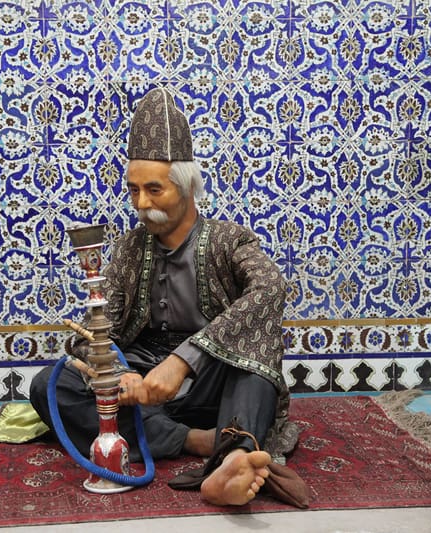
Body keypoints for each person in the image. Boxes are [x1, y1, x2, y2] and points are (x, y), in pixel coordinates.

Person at [29, 86, 298, 506]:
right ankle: (199, 443)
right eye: (134, 190)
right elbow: (100, 333)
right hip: (142, 383)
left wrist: (183, 362)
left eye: (154, 190)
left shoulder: (230, 240)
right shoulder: (132, 248)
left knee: (255, 361)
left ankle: (233, 459)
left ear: (187, 187)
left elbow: (270, 288)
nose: (141, 202)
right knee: (52, 382)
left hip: (213, 378)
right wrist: (117, 372)